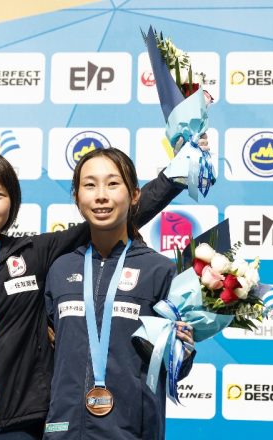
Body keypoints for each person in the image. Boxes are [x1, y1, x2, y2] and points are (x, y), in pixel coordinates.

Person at [0, 150, 186, 440]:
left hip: (24, 428)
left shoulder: (36, 256)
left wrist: (173, 177)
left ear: (12, 203)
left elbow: (110, 215)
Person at [43, 148, 195, 440]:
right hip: (63, 431)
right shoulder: (59, 269)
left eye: (113, 184)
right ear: (77, 197)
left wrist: (182, 352)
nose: (101, 195)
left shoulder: (159, 271)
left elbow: (174, 365)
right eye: (90, 185)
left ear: (135, 195)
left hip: (131, 432)